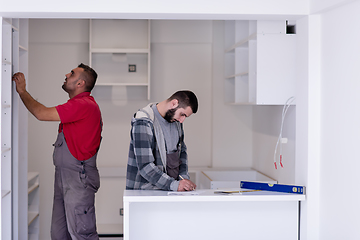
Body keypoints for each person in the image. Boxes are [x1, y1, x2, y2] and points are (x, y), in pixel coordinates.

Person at [12, 63, 102, 240]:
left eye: (72, 73)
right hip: (65, 177)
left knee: (81, 233)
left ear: (80, 83)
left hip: (78, 178)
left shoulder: (84, 105)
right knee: (60, 234)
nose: (67, 74)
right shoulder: (76, 105)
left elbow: (41, 113)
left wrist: (22, 91)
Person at [126, 90, 198, 191]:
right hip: (144, 193)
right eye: (182, 114)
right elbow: (145, 166)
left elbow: (182, 152)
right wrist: (175, 185)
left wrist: (183, 179)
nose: (182, 120)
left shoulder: (176, 122)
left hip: (169, 192)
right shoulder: (143, 121)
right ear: (174, 103)